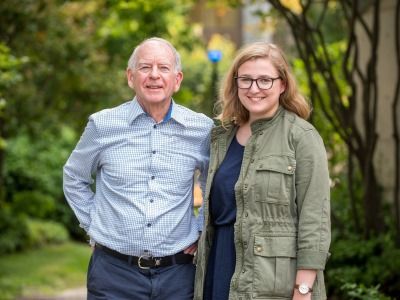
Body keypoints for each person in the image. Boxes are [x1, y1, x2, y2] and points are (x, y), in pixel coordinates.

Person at [63, 37, 213, 300]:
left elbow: (214, 183)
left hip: (178, 275)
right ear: (130, 77)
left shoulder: (201, 129)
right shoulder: (102, 125)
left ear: (177, 80)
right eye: (145, 67)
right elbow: (74, 177)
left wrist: (201, 227)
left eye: (163, 68)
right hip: (113, 274)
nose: (154, 75)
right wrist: (93, 224)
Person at [194, 42, 331, 300]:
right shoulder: (221, 136)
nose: (254, 88)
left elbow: (316, 219)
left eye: (265, 80)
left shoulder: (301, 137)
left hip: (272, 280)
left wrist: (303, 289)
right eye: (245, 79)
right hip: (219, 265)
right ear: (235, 84)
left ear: (282, 85)